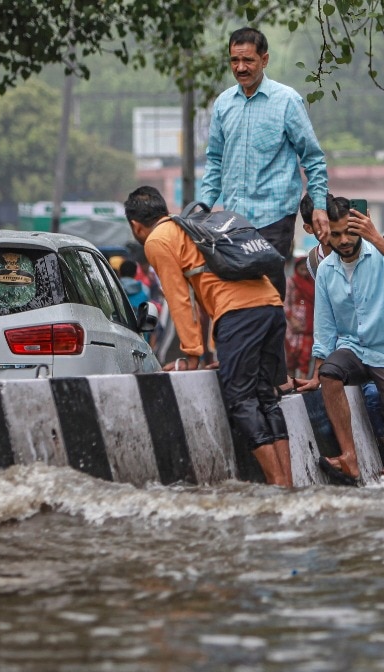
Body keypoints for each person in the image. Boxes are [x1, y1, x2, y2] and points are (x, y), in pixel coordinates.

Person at [125, 186, 293, 487]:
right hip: (271, 305)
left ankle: (276, 481)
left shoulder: (159, 240)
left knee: (240, 398)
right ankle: (287, 484)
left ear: (136, 225)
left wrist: (192, 355)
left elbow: (179, 300)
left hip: (238, 313)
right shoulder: (192, 228)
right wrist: (219, 353)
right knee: (266, 396)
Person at [294, 196, 384, 480]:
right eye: (336, 234)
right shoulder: (326, 269)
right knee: (330, 373)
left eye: (349, 232)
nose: (343, 241)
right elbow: (324, 326)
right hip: (354, 349)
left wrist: (377, 238)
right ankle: (349, 456)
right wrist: (315, 374)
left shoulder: (381, 254)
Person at [200, 26, 329, 300]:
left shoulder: (287, 101)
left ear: (265, 60)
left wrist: (318, 205)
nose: (241, 67)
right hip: (233, 221)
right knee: (236, 296)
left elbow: (313, 158)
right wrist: (200, 210)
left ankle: (269, 343)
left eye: (248, 60)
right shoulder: (223, 104)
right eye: (235, 60)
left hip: (275, 217)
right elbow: (214, 162)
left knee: (267, 296)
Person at [284, 257, 314, 379]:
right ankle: (291, 385)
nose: (304, 269)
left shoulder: (314, 283)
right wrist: (292, 320)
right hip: (292, 329)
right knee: (291, 358)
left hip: (309, 327)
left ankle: (302, 384)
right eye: (302, 267)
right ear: (296, 268)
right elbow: (285, 303)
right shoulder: (291, 282)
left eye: (307, 267)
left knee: (305, 359)